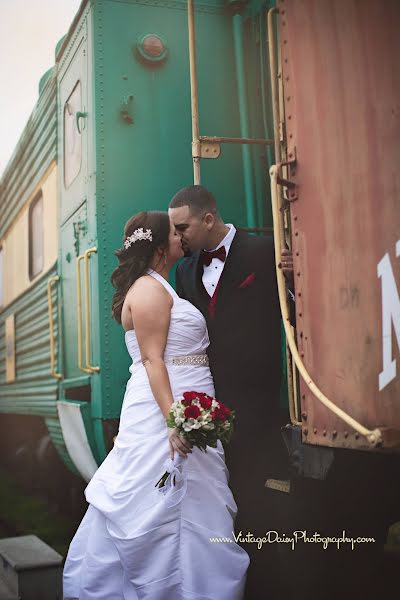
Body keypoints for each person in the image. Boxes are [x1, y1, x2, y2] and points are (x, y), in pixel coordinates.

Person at [63, 211, 249, 600]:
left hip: (184, 397)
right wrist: (174, 420)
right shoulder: (148, 291)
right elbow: (153, 360)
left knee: (192, 500)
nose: (183, 236)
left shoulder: (161, 285)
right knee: (163, 500)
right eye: (175, 232)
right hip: (164, 408)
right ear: (161, 246)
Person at [169, 186, 289, 600]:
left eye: (182, 227)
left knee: (261, 501)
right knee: (219, 504)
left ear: (208, 219)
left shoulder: (265, 252)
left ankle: (267, 582)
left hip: (258, 403)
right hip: (207, 405)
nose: (177, 236)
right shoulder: (183, 272)